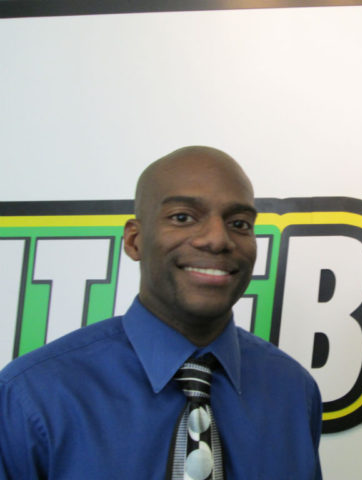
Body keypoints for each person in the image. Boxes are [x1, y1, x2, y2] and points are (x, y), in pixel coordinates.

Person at [0, 146, 323, 479]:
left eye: (239, 223)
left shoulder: (294, 392)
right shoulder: (34, 396)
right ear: (134, 240)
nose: (217, 239)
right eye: (182, 217)